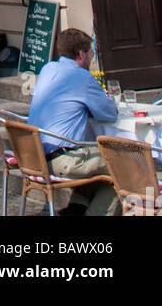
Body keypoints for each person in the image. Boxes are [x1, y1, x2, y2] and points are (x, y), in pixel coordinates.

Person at [26, 28, 120, 217]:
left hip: (34, 156)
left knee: (98, 160)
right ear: (81, 54)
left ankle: (75, 210)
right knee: (122, 165)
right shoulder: (82, 77)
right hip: (62, 160)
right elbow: (109, 114)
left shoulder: (47, 69)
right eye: (91, 53)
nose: (92, 59)